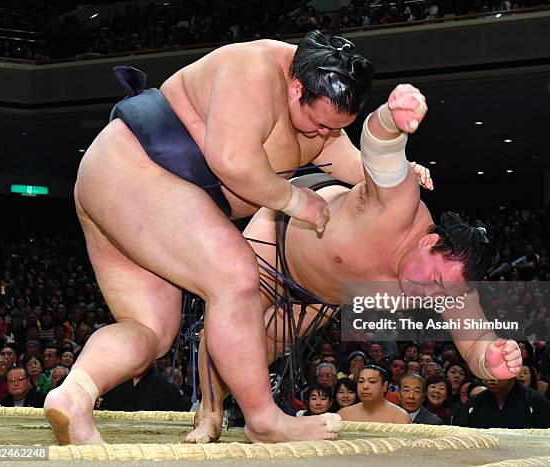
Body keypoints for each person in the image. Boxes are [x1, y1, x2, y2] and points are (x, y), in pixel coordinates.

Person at [45, 29, 376, 445]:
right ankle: (264, 420)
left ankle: (75, 394)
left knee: (150, 330)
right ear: (296, 87)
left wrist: (396, 175)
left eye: (334, 128)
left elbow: (351, 162)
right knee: (235, 276)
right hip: (139, 170)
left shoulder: (320, 117)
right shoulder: (254, 69)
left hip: (122, 188)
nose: (320, 134)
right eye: (318, 122)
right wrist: (295, 200)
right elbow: (233, 161)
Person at [189, 82, 522, 442]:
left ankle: (244, 411)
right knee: (233, 315)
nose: (433, 294)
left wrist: (490, 360)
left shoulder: (449, 285)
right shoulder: (399, 203)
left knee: (263, 344)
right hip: (280, 235)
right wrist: (391, 118)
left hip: (321, 294)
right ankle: (208, 411)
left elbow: (474, 342)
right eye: (436, 280)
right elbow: (379, 147)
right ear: (430, 241)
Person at [338, 365, 411, 424]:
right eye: (361, 381)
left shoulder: (400, 417)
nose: (365, 386)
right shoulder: (344, 415)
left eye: (372, 382)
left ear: (384, 386)